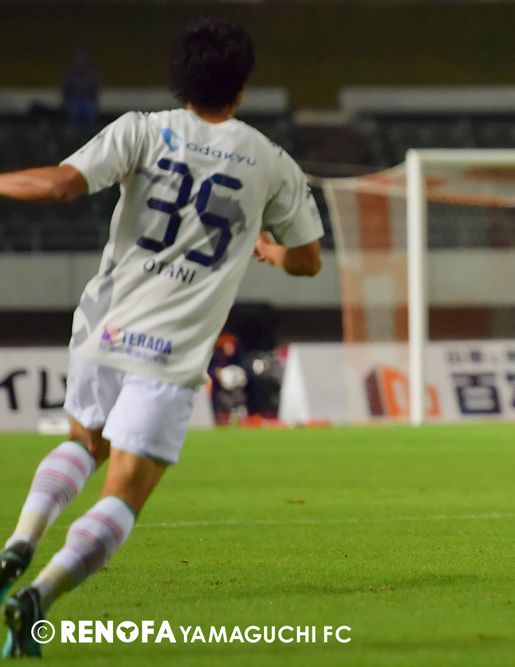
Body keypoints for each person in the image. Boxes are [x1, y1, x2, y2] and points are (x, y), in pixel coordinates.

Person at [0, 19, 324, 658]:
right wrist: (270, 251)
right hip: (172, 351)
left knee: (83, 444)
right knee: (124, 491)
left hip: (105, 327)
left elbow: (61, 184)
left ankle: (19, 542)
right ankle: (38, 594)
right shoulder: (271, 161)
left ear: (180, 79)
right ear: (243, 85)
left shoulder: (141, 130)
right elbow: (309, 261)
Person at [62, 48, 100, 133]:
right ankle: (74, 133)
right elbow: (66, 88)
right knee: (74, 110)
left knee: (88, 109)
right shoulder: (70, 73)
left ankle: (89, 133)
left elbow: (94, 88)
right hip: (74, 98)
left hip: (86, 98)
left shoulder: (91, 73)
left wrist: (94, 100)